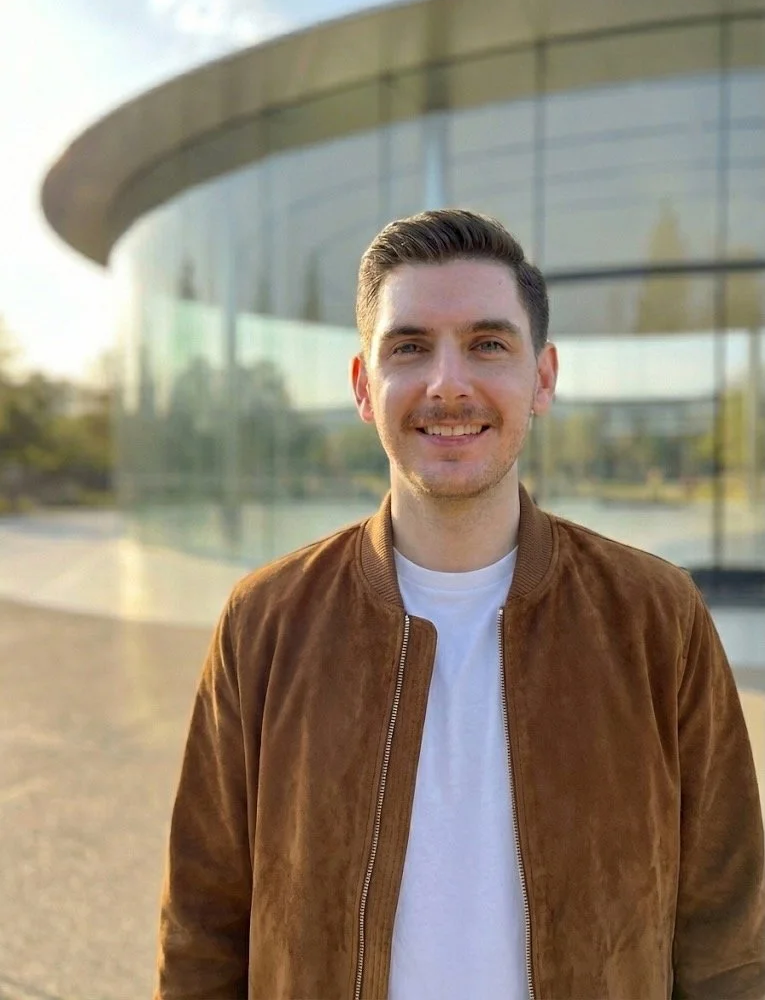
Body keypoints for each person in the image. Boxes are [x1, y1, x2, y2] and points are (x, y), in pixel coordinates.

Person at [154, 209, 764, 1000]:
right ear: (362, 387)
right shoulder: (266, 620)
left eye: (487, 344)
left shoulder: (655, 616)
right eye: (409, 347)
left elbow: (726, 935)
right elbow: (202, 930)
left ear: (540, 378)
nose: (447, 383)